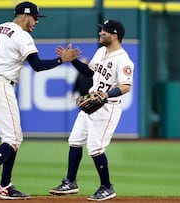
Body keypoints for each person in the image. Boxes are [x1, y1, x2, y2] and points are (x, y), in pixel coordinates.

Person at [0, 1, 79, 200]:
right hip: (1, 87)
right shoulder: (22, 35)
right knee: (12, 139)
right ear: (24, 16)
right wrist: (63, 60)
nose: (36, 22)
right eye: (35, 18)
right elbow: (37, 65)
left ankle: (5, 185)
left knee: (13, 138)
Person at [49, 19, 134, 201]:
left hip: (107, 107)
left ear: (114, 35)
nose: (101, 33)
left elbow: (126, 86)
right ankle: (70, 182)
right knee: (75, 141)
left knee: (95, 148)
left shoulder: (124, 59)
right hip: (92, 103)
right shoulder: (101, 51)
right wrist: (73, 61)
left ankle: (107, 187)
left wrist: (106, 95)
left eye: (104, 31)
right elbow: (90, 72)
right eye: (101, 30)